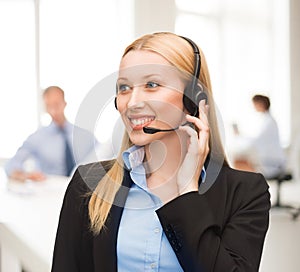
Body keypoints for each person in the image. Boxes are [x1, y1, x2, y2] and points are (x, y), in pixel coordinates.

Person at [51, 32, 270, 271]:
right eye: (124, 88)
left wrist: (185, 193)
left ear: (193, 99)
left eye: (152, 85)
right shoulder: (89, 184)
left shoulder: (246, 193)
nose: (132, 102)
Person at [5, 86, 98, 181]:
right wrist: (26, 175)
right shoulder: (37, 138)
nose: (53, 110)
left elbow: (104, 157)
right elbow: (10, 165)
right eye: (49, 106)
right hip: (50, 191)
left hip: (82, 190)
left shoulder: (86, 136)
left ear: (64, 103)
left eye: (56, 104)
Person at [232, 94, 287, 179]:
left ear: (261, 104)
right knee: (240, 162)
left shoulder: (269, 122)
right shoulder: (266, 120)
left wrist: (239, 136)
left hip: (272, 163)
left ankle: (250, 190)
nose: (254, 107)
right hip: (269, 161)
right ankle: (248, 189)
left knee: (238, 163)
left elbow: (255, 142)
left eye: (255, 104)